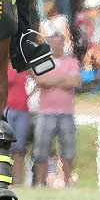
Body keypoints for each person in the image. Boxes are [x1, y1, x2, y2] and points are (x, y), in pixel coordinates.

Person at [32, 35, 80, 186]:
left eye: (60, 43)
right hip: (46, 112)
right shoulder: (43, 61)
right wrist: (63, 78)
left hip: (66, 112)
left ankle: (67, 181)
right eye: (54, 43)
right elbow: (40, 80)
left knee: (68, 149)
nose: (57, 46)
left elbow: (76, 82)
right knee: (41, 149)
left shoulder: (72, 62)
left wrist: (52, 80)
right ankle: (40, 183)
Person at [5, 65, 32, 184]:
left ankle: (16, 183)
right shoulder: (2, 65)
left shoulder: (26, 67)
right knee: (4, 148)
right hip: (7, 109)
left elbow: (37, 78)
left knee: (18, 149)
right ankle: (2, 180)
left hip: (23, 111)